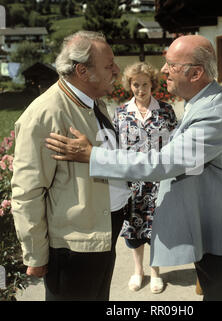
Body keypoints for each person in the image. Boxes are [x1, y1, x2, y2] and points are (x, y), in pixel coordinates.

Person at [45, 35, 222, 301]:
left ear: (195, 73)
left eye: (171, 65)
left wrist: (93, 156)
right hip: (215, 232)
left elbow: (162, 163)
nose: (163, 70)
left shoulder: (214, 113)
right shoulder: (202, 102)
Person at [11, 30, 132, 301]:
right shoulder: (45, 114)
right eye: (108, 64)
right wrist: (35, 253)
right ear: (82, 71)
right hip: (73, 248)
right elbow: (27, 192)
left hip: (101, 233)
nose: (116, 69)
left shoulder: (93, 103)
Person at [113, 62, 177, 293]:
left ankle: (156, 271)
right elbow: (115, 149)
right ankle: (138, 271)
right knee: (134, 230)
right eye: (135, 84)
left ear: (153, 85)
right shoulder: (120, 113)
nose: (140, 89)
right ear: (129, 85)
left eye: (145, 84)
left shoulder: (166, 110)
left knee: (158, 229)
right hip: (132, 184)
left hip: (159, 182)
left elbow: (176, 145)